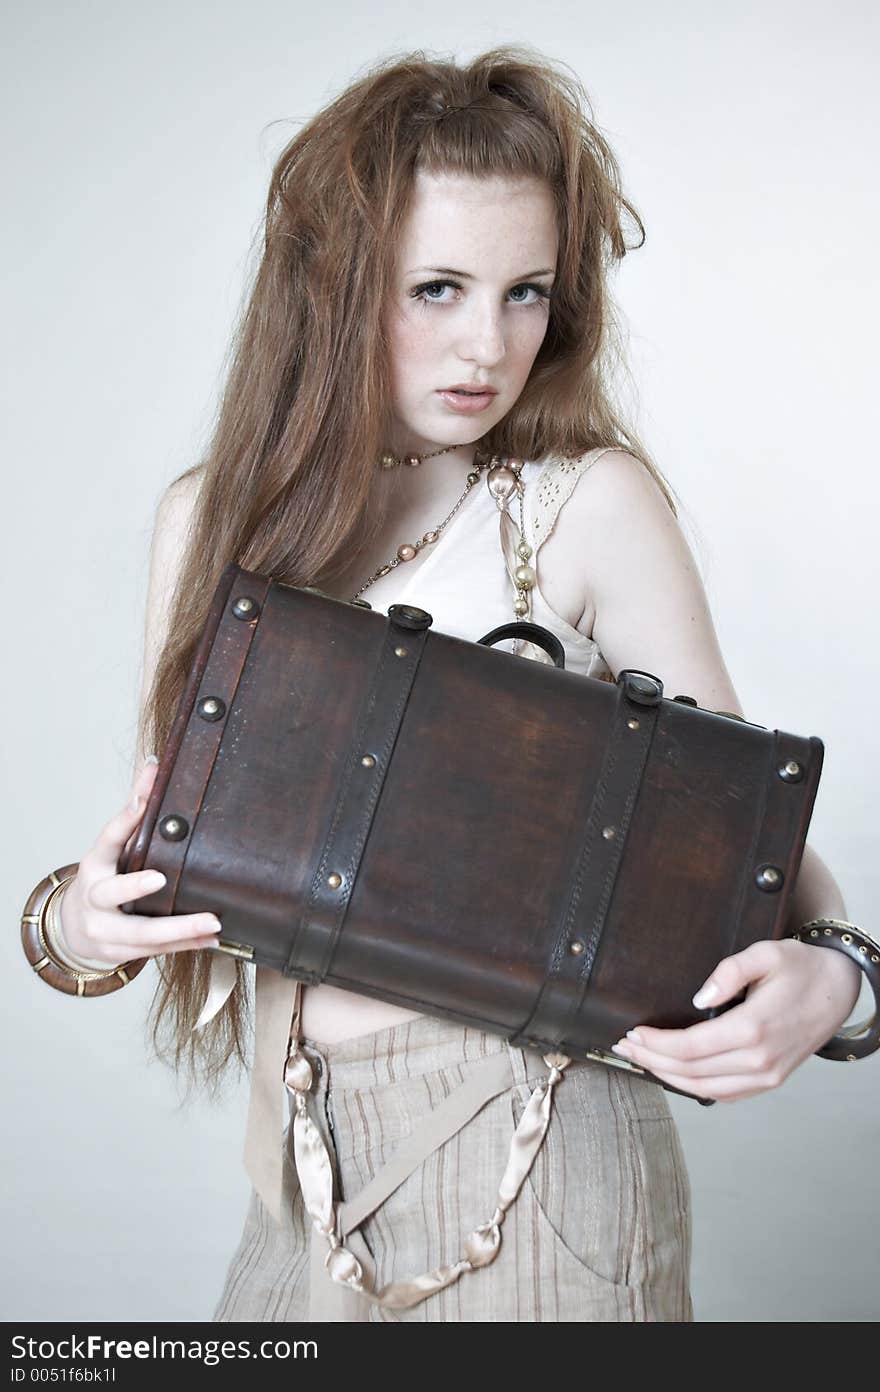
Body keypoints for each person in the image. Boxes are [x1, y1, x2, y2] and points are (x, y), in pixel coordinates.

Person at [40, 45, 865, 1322]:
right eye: (436, 287)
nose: (489, 344)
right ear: (331, 288)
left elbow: (749, 847)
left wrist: (843, 984)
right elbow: (158, 868)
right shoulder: (211, 527)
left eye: (526, 292)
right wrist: (79, 926)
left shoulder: (582, 505)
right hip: (293, 1163)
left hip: (537, 1148)